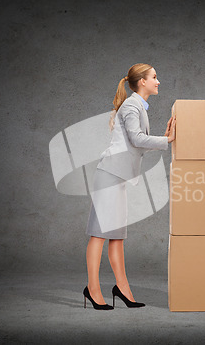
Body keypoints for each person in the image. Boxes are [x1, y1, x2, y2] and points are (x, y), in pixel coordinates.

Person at [83, 63, 176, 310]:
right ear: (142, 81)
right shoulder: (132, 105)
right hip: (110, 175)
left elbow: (137, 143)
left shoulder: (138, 107)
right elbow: (136, 139)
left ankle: (122, 289)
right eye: (154, 77)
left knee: (117, 237)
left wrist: (163, 138)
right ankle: (92, 289)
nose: (158, 82)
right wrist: (166, 140)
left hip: (117, 177)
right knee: (100, 235)